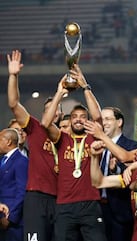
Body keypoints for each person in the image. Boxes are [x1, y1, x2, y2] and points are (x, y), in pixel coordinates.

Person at [41, 66, 107, 241]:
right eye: (74, 116)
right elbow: (46, 124)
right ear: (69, 121)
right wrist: (59, 92)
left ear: (87, 120)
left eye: (83, 116)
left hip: (90, 203)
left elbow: (98, 117)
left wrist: (85, 87)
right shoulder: (62, 139)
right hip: (64, 205)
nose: (78, 119)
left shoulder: (93, 137)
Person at [7, 49, 61, 241]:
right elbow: (14, 104)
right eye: (48, 109)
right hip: (36, 197)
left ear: (60, 115)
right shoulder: (35, 128)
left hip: (62, 200)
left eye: (56, 110)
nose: (52, 113)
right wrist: (13, 75)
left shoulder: (68, 138)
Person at [98, 106, 137, 241]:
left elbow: (132, 176)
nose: (104, 123)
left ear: (119, 122)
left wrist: (115, 170)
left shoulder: (133, 147)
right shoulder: (95, 147)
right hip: (96, 211)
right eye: (101, 119)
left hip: (120, 212)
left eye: (108, 119)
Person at [0, 128, 28, 241]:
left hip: (12, 222)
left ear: (8, 141)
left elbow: (22, 191)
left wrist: (10, 218)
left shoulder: (21, 161)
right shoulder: (2, 160)